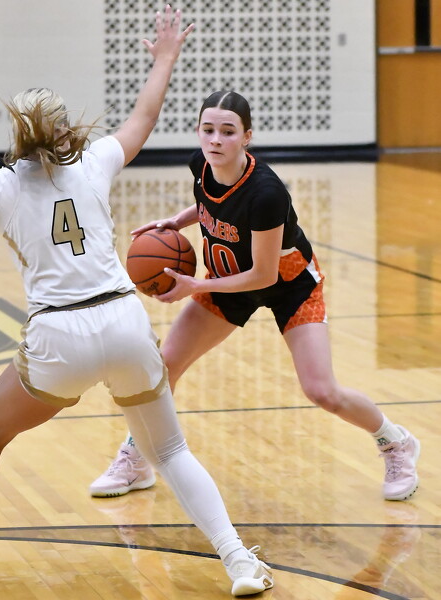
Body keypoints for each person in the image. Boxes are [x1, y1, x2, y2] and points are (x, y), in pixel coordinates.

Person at [0, 14, 274, 598]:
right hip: (124, 322)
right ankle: (238, 562)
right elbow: (144, 118)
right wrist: (164, 58)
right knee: (170, 450)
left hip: (59, 337)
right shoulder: (95, 161)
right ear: (64, 130)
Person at [89, 90, 421, 504]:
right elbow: (209, 203)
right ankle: (137, 457)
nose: (216, 140)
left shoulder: (267, 193)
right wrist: (177, 220)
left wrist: (197, 287)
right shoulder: (201, 165)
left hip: (289, 285)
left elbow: (263, 274)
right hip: (229, 280)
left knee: (321, 391)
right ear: (198, 131)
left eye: (228, 132)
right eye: (208, 130)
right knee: (164, 367)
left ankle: (395, 442)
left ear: (247, 137)